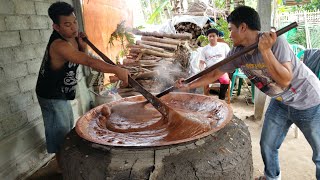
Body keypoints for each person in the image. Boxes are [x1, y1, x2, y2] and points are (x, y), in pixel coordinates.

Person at [175, 6, 320, 180]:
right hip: (281, 101)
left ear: (243, 27)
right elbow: (215, 73)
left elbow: (285, 80)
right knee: (268, 144)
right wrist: (188, 85)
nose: (228, 35)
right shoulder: (237, 53)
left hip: (308, 101)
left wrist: (265, 51)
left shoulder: (275, 41)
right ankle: (272, 177)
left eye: (231, 30)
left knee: (319, 155)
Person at [35, 2, 129, 171]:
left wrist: (83, 46)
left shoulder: (72, 38)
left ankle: (63, 163)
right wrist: (116, 69)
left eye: (75, 22)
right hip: (51, 94)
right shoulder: (59, 45)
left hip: (61, 92)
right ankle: (62, 168)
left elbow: (82, 57)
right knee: (60, 132)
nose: (73, 27)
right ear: (56, 26)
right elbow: (88, 61)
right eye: (67, 24)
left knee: (65, 127)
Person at [199, 28, 230, 100]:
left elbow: (229, 58)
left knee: (225, 80)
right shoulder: (204, 49)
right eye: (210, 36)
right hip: (210, 71)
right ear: (208, 38)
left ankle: (221, 99)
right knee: (204, 80)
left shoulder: (224, 46)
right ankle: (207, 100)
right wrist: (202, 70)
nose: (212, 38)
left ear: (217, 36)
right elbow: (201, 63)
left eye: (213, 36)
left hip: (221, 69)